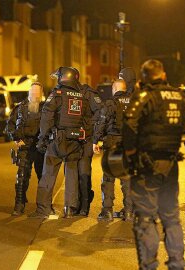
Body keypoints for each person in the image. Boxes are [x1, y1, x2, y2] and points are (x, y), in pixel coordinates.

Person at [122, 60, 185, 269]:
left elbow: (129, 126)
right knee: (171, 216)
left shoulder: (144, 96)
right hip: (171, 164)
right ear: (163, 74)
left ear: (144, 77)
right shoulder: (178, 96)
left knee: (145, 217)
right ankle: (177, 262)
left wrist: (131, 154)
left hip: (147, 166)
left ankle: (149, 264)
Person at [29, 67, 89, 219]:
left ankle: (43, 209)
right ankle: (70, 208)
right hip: (75, 141)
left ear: (63, 77)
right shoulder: (81, 96)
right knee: (72, 174)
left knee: (48, 173)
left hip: (57, 140)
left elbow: (47, 118)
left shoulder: (57, 95)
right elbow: (87, 119)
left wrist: (42, 138)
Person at [93, 79, 132, 222]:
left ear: (114, 89)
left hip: (112, 143)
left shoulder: (110, 103)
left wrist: (95, 141)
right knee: (126, 178)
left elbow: (102, 122)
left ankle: (107, 211)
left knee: (109, 178)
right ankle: (129, 212)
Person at [6, 82, 45, 216]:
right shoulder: (20, 108)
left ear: (41, 94)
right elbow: (10, 126)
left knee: (43, 178)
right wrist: (16, 139)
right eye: (32, 92)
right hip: (25, 146)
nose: (34, 95)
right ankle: (19, 204)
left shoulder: (46, 108)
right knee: (22, 177)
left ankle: (44, 205)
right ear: (28, 93)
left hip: (40, 148)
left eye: (36, 92)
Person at [77, 75, 102, 216]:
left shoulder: (89, 93)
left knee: (84, 171)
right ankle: (77, 203)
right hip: (72, 139)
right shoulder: (68, 92)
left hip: (87, 138)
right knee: (74, 173)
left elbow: (100, 112)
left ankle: (85, 206)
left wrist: (87, 126)